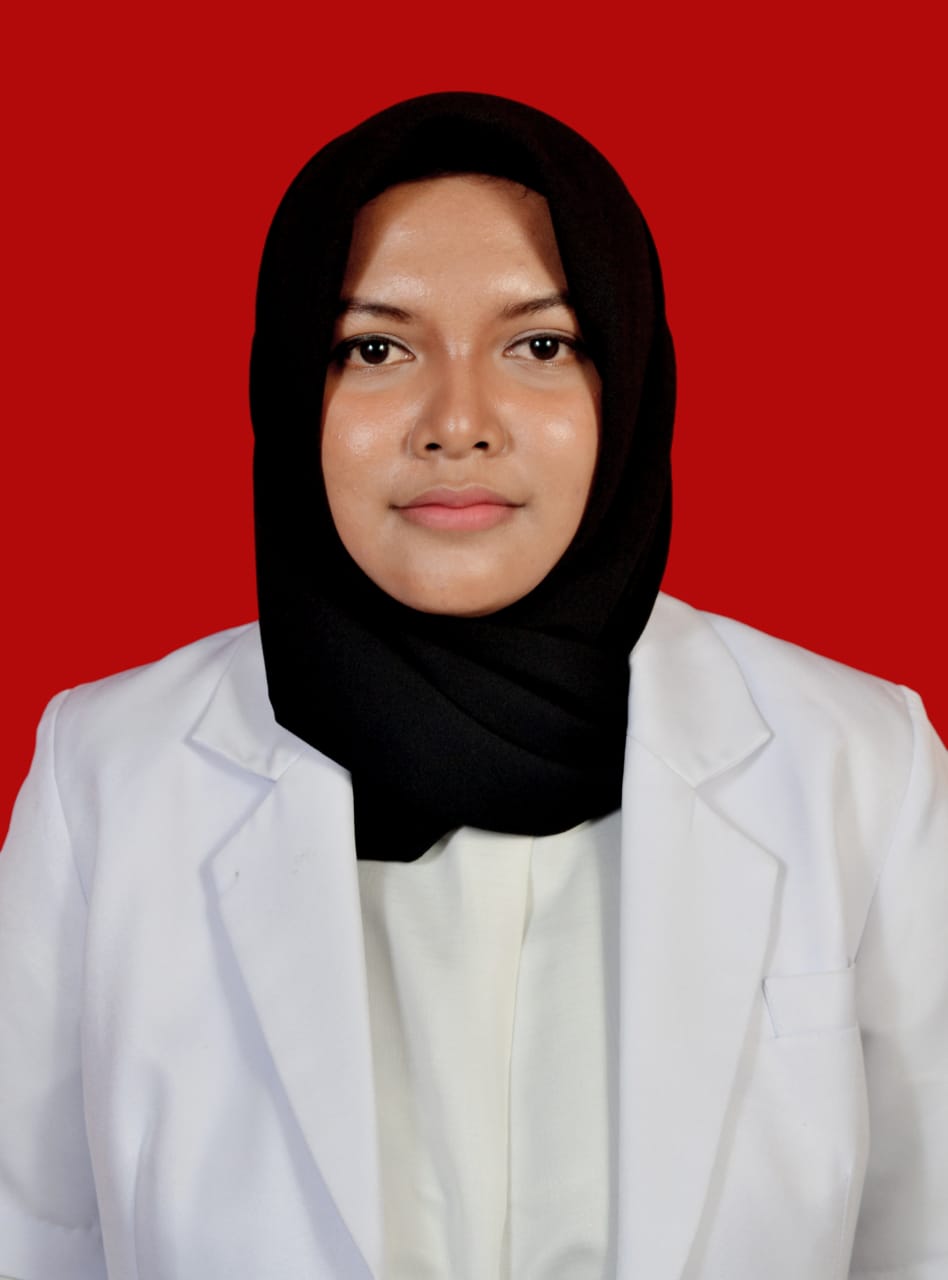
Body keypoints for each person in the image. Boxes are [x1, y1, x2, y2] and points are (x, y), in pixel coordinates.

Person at [0, 92, 945, 1280]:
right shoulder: (108, 778)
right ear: (291, 385)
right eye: (376, 347)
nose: (458, 422)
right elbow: (30, 1238)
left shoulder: (858, 765)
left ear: (626, 379)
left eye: (539, 345)